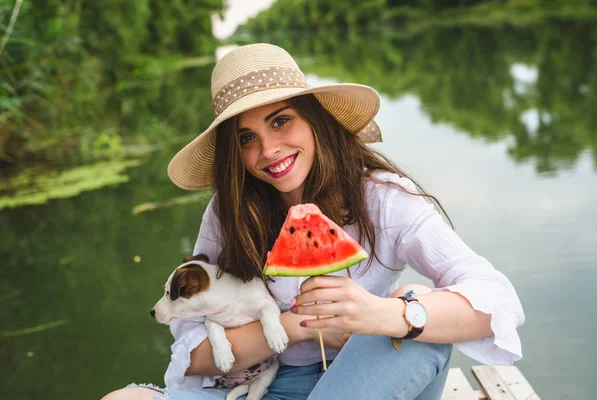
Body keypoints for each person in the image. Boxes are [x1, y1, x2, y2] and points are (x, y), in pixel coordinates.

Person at [103, 43, 524, 400]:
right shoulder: (228, 211)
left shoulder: (383, 199)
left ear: (314, 120)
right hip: (264, 385)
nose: (268, 150)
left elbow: (498, 301)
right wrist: (298, 326)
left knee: (418, 304)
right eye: (247, 138)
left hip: (362, 383)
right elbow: (193, 355)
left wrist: (386, 314)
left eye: (280, 120)